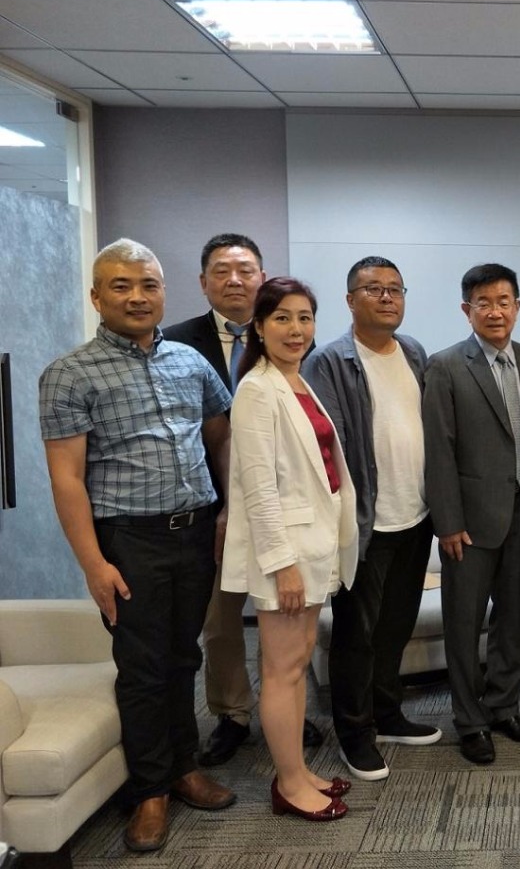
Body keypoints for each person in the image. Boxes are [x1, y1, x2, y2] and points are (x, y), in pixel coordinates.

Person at [40, 238, 237, 852]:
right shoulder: (69, 373)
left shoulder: (190, 361)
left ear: (163, 292)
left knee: (183, 657)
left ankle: (183, 768)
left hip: (195, 532)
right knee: (143, 666)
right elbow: (67, 479)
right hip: (129, 540)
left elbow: (220, 436)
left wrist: (228, 510)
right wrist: (93, 564)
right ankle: (150, 789)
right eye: (120, 285)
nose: (136, 296)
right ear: (96, 296)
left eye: (148, 284)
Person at [164, 233, 324, 766]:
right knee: (221, 620)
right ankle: (233, 713)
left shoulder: (295, 345)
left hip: (276, 508)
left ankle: (285, 712)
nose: (235, 280)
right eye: (222, 271)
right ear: (203, 281)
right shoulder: (176, 343)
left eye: (246, 270)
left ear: (261, 277)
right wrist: (224, 507)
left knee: (283, 630)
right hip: (208, 505)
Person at [221, 277, 358, 821]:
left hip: (314, 544)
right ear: (258, 326)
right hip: (287, 554)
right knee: (281, 669)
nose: (296, 329)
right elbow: (258, 489)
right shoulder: (256, 390)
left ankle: (298, 772)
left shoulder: (297, 380)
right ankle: (288, 785)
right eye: (282, 318)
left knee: (297, 663)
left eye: (304, 318)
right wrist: (282, 566)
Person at [303, 256, 441, 782]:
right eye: (373, 289)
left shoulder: (414, 352)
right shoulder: (330, 361)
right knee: (356, 635)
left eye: (395, 289)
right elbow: (330, 447)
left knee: (395, 627)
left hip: (415, 517)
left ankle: (387, 713)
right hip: (366, 526)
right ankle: (354, 733)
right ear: (350, 300)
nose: (386, 297)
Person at [423, 263, 520, 765]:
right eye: (484, 303)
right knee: (464, 622)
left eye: (504, 302)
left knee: (512, 619)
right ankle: (470, 721)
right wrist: (448, 522)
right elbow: (438, 450)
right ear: (466, 309)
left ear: (517, 306)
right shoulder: (446, 366)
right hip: (469, 523)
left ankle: (503, 707)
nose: (495, 312)